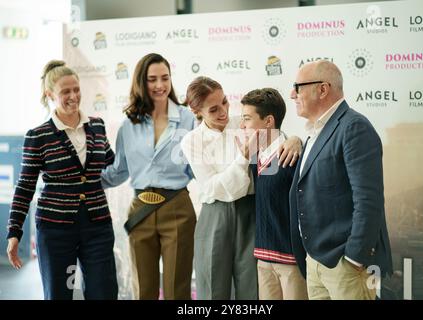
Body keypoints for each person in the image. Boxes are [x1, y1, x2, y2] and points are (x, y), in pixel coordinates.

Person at [181, 76, 301, 300]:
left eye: (225, 102)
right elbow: (212, 187)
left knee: (251, 288)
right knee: (212, 287)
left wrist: (294, 139)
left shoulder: (242, 122)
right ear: (197, 112)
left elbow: (275, 136)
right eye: (214, 109)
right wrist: (243, 158)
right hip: (215, 215)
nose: (224, 112)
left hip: (252, 211)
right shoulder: (191, 141)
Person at [6, 60, 118, 300]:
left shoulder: (97, 126)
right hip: (55, 228)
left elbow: (113, 165)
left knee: (104, 292)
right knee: (59, 294)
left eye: (76, 89)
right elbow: (25, 187)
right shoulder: (38, 136)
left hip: (97, 224)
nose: (73, 96)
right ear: (50, 95)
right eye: (65, 91)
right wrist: (14, 232)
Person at [288, 60, 393, 300]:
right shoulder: (314, 131)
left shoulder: (354, 127)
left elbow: (368, 199)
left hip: (345, 265)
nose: (292, 94)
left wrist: (354, 257)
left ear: (322, 89)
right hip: (315, 261)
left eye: (297, 86)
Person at [101, 53, 196, 300]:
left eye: (165, 78)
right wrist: (81, 178)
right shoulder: (128, 126)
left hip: (178, 207)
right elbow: (117, 171)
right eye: (152, 79)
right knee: (143, 289)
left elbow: (200, 165)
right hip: (141, 208)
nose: (160, 85)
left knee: (178, 290)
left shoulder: (188, 119)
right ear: (141, 83)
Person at [239, 88, 308, 300]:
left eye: (247, 119)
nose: (242, 126)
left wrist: (297, 140)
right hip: (262, 258)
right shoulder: (254, 156)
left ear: (268, 121)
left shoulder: (294, 155)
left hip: (291, 261)